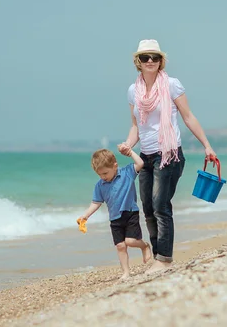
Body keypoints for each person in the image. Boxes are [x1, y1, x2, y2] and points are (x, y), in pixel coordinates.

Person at [118, 39, 217, 274]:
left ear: (161, 61)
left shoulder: (172, 85)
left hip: (170, 154)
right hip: (146, 156)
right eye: (145, 57)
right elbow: (136, 127)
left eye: (155, 57)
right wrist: (127, 145)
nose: (150, 61)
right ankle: (157, 257)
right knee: (149, 208)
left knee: (161, 205)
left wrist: (207, 145)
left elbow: (188, 116)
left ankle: (164, 259)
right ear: (138, 62)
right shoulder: (134, 91)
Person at [79, 147, 152, 280]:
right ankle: (126, 272)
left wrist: (130, 152)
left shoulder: (127, 173)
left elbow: (140, 163)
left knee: (130, 241)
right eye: (99, 174)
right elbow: (96, 203)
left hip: (130, 213)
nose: (103, 177)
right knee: (120, 246)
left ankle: (145, 246)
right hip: (115, 219)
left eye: (105, 173)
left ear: (115, 166)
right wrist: (86, 215)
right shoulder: (100, 185)